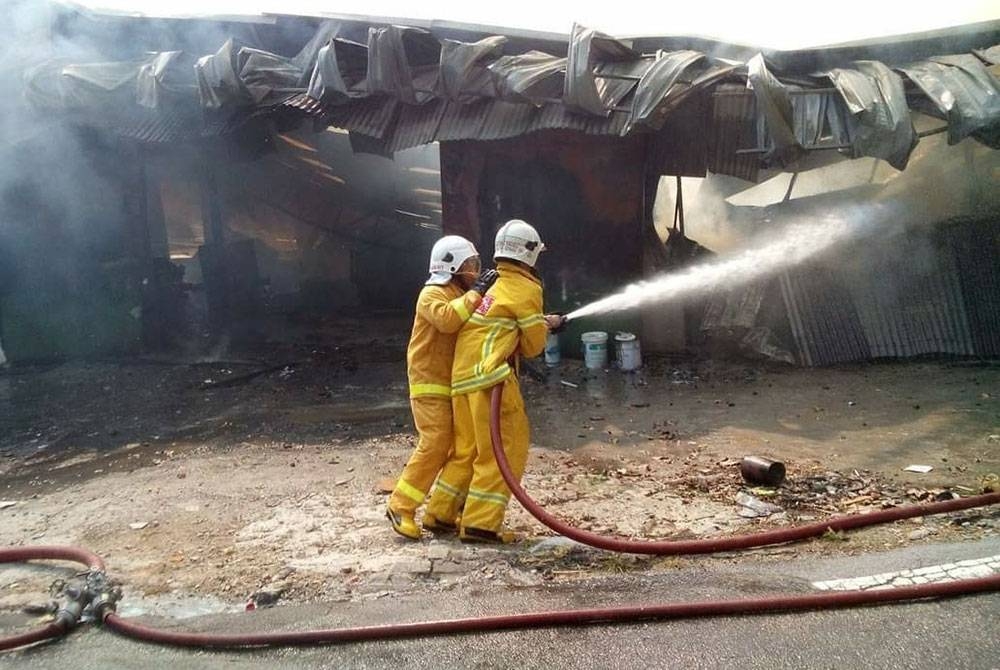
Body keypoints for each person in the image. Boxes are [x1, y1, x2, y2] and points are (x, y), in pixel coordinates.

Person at [424, 219, 563, 543]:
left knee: (466, 451)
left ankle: (441, 514)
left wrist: (539, 322)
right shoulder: (526, 287)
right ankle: (480, 524)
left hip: (462, 381)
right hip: (492, 381)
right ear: (528, 254)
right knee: (505, 448)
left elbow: (500, 324)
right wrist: (544, 328)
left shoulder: (488, 285)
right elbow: (531, 346)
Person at [386, 235, 498, 539]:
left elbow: (491, 318)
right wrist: (476, 293)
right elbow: (448, 320)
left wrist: (543, 321)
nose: (476, 270)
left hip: (452, 384)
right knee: (435, 443)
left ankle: (445, 510)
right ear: (452, 266)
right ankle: (401, 506)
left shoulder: (461, 293)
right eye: (470, 265)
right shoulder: (432, 294)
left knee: (459, 448)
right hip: (428, 384)